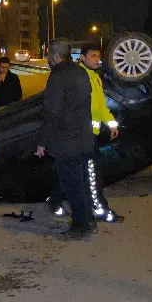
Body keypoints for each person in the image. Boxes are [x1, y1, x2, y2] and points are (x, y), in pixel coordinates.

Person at [47, 43, 126, 223]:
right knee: (91, 176)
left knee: (76, 174)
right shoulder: (81, 76)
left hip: (90, 134)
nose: (97, 59)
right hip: (83, 136)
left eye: (98, 56)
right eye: (92, 56)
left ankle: (55, 201)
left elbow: (100, 106)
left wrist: (112, 124)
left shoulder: (94, 77)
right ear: (81, 57)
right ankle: (99, 211)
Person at [36, 39, 96, 240]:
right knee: (83, 182)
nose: (47, 59)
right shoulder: (80, 72)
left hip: (67, 141)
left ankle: (81, 226)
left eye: (48, 55)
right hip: (84, 138)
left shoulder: (57, 76)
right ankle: (89, 220)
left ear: (55, 56)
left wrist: (42, 142)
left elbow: (52, 112)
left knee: (72, 184)